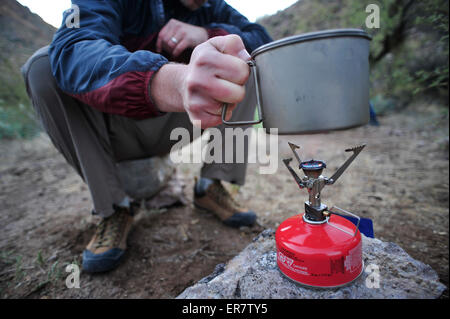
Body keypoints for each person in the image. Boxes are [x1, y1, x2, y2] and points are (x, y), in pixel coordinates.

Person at [21, 0, 272, 273]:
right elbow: (73, 47)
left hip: (180, 123)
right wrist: (169, 81)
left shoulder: (213, 8)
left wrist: (206, 35)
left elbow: (263, 42)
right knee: (43, 68)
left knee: (246, 59)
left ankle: (212, 186)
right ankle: (114, 207)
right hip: (113, 126)